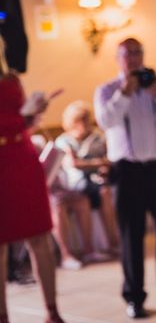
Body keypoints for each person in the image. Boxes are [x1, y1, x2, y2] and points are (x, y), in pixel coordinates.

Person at [94, 38, 156, 319]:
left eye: (138, 53)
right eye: (128, 54)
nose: (135, 59)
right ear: (118, 59)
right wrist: (125, 93)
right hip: (128, 171)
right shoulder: (107, 90)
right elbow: (106, 121)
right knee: (131, 236)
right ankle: (134, 297)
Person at [0, 36, 65, 323]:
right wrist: (19, 118)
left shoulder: (12, 78)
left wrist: (33, 114)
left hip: (24, 161)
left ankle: (52, 311)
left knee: (39, 236)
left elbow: (22, 120)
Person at [54, 101, 119, 260]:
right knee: (92, 195)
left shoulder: (98, 136)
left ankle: (113, 244)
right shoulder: (64, 140)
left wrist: (101, 166)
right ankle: (93, 248)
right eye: (79, 121)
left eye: (85, 120)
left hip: (98, 180)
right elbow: (72, 163)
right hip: (76, 182)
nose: (83, 124)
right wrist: (97, 162)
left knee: (105, 192)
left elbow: (109, 159)